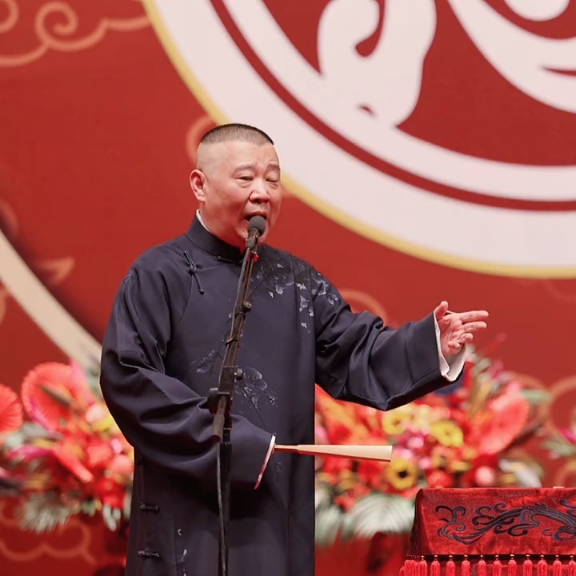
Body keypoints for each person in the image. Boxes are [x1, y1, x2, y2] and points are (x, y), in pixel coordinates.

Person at [99, 123, 489, 576]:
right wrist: (232, 443)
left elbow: (353, 353)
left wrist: (430, 345)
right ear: (199, 185)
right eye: (245, 178)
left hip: (274, 513)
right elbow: (129, 378)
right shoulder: (158, 274)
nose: (263, 192)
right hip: (184, 518)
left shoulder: (296, 282)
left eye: (273, 179)